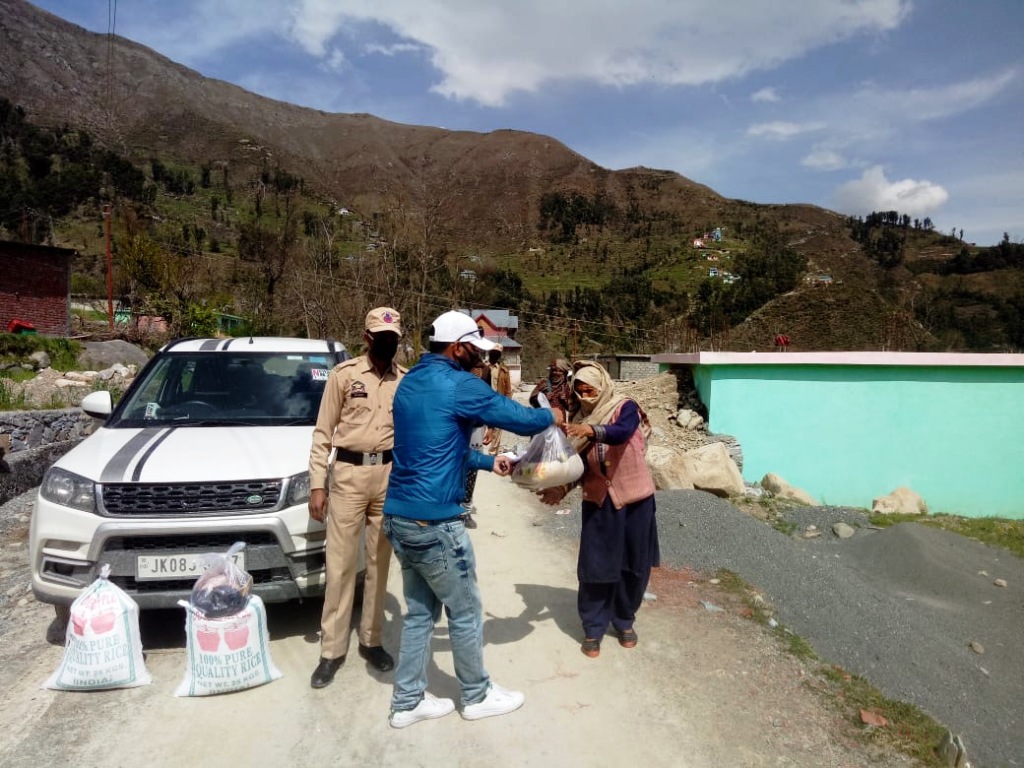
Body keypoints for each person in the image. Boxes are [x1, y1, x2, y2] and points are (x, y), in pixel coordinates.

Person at [382, 309, 566, 728]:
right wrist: (550, 416)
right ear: (457, 348)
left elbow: (435, 445)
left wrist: (486, 461)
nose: (481, 358)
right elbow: (516, 417)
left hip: (400, 517)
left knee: (419, 614)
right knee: (465, 611)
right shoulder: (459, 384)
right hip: (435, 523)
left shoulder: (409, 382)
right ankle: (476, 695)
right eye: (476, 350)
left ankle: (407, 701)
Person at [307, 306, 406, 689]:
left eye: (393, 338)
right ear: (367, 338)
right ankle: (332, 650)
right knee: (341, 564)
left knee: (380, 563)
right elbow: (322, 433)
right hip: (348, 475)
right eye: (382, 338)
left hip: (388, 476)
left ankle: (371, 640)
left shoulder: (404, 380)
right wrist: (318, 484)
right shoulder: (344, 376)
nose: (388, 343)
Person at [538, 360, 660, 660]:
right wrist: (559, 489)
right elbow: (576, 466)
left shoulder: (625, 407)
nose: (584, 395)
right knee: (595, 566)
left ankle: (624, 619)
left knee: (634, 565)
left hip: (636, 500)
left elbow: (621, 432)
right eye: (579, 390)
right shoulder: (578, 420)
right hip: (599, 503)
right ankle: (593, 626)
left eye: (590, 389)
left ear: (602, 386)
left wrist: (591, 430)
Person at [485, 343, 514, 455]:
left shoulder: (504, 370)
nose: (495, 355)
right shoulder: (483, 367)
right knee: (481, 427)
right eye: (493, 352)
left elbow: (508, 390)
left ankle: (492, 453)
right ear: (490, 353)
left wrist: (507, 405)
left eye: (497, 353)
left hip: (498, 402)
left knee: (497, 428)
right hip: (484, 402)